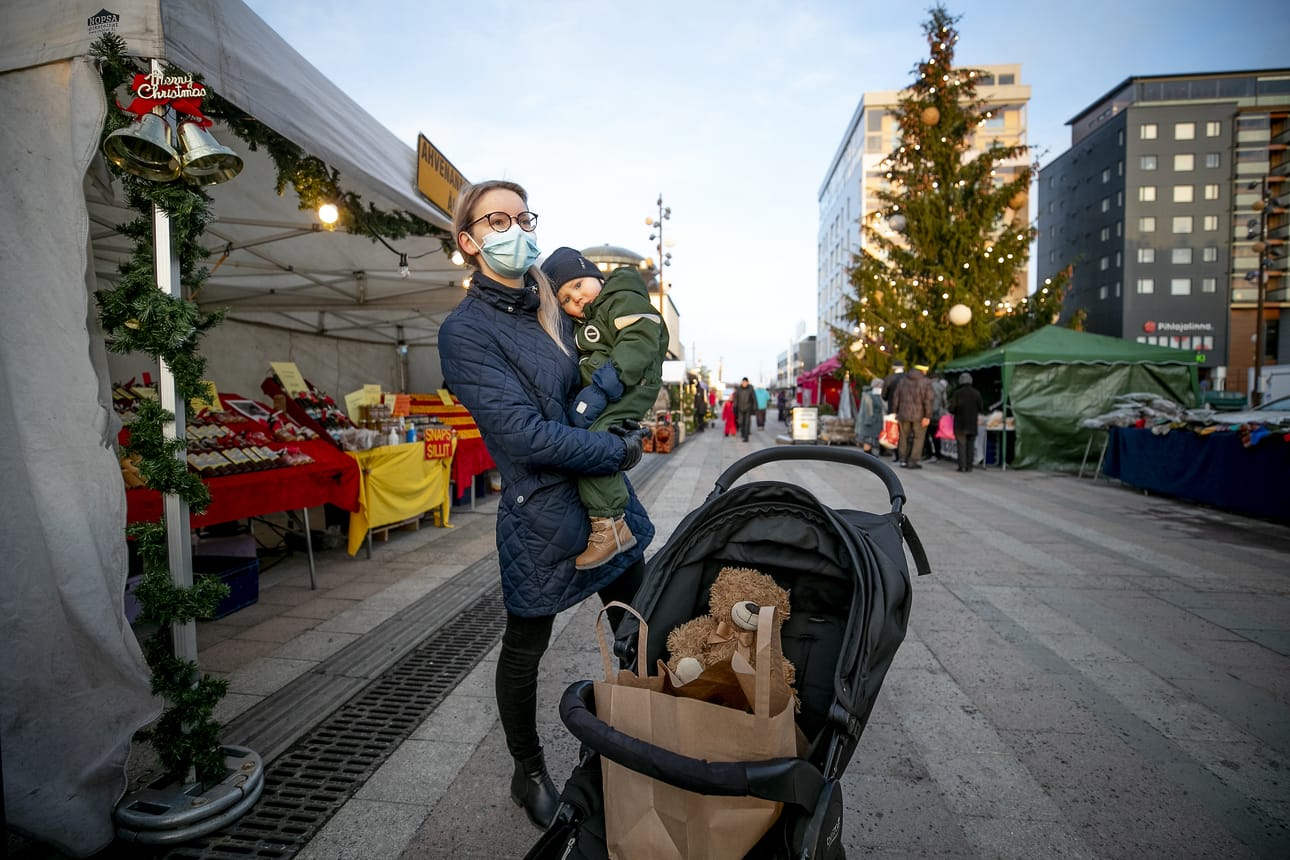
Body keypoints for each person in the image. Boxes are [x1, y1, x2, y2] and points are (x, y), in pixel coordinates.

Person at [437, 181, 653, 830]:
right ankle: (527, 770)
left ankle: (643, 740)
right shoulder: (465, 331)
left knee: (641, 628)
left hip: (603, 504)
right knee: (524, 648)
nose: (516, 229)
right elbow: (523, 437)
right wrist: (615, 450)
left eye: (523, 217)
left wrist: (627, 416)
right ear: (469, 241)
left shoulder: (554, 309)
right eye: (497, 220)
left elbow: (607, 369)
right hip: (541, 515)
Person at [541, 246, 669, 570]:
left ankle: (610, 524)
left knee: (596, 443)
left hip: (631, 382)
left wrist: (602, 386)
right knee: (586, 441)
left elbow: (639, 340)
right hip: (608, 387)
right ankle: (608, 522)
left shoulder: (621, 298)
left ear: (596, 277)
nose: (576, 298)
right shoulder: (586, 321)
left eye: (578, 285)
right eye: (566, 299)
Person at [890, 363, 933, 468]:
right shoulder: (926, 382)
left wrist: (895, 411)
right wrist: (927, 416)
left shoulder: (903, 380)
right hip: (920, 415)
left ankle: (903, 460)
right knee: (918, 438)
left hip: (903, 414)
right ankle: (913, 461)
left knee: (903, 437)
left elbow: (896, 397)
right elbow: (928, 400)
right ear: (923, 371)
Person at [948, 371, 986, 473]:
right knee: (971, 445)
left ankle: (962, 466)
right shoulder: (976, 393)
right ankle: (969, 466)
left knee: (961, 445)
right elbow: (981, 408)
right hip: (972, 423)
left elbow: (952, 408)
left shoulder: (957, 393)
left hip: (960, 424)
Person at [855, 378, 885, 454]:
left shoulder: (879, 395)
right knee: (867, 440)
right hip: (869, 422)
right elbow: (867, 409)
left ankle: (871, 454)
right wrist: (868, 421)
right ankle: (867, 455)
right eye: (880, 385)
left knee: (873, 440)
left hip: (876, 423)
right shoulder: (868, 395)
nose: (881, 387)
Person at [734, 377, 757, 442]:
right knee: (740, 422)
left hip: (748, 408)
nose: (744, 383)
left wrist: (755, 408)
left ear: (747, 382)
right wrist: (734, 407)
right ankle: (743, 432)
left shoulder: (750, 389)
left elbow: (754, 398)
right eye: (743, 382)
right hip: (740, 408)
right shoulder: (739, 389)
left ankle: (746, 437)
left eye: (745, 382)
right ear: (742, 382)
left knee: (747, 423)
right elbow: (736, 399)